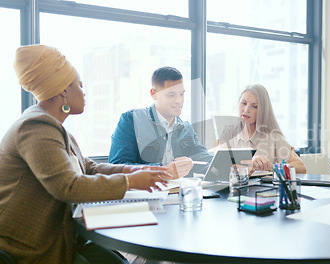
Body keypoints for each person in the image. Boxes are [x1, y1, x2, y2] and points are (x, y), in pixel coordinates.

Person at [0, 45, 193, 264]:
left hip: (65, 239)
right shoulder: (36, 126)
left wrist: (135, 169)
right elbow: (69, 186)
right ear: (63, 90)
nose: (84, 92)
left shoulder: (55, 129)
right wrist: (130, 181)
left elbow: (89, 168)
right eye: (79, 86)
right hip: (29, 249)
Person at [108, 66, 212, 176]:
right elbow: (116, 166)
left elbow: (202, 157)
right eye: (171, 94)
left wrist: (226, 162)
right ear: (154, 94)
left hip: (180, 191)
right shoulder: (130, 120)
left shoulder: (186, 128)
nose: (179, 100)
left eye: (181, 94)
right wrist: (163, 170)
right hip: (147, 192)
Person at [218, 84, 306, 173]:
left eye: (254, 106)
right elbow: (218, 167)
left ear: (262, 110)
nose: (246, 109)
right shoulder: (229, 133)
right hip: (235, 186)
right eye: (244, 103)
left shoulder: (273, 136)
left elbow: (301, 167)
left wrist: (271, 167)